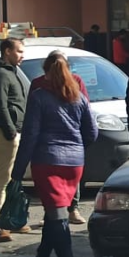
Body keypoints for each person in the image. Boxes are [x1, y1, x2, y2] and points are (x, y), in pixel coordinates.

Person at [12, 54, 97, 257]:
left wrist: (17, 172)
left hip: (47, 162)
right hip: (73, 164)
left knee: (58, 218)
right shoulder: (79, 97)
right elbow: (92, 132)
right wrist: (77, 148)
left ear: (46, 73)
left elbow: (30, 136)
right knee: (54, 215)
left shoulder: (39, 97)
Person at [31, 51, 90, 225]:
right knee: (65, 180)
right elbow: (88, 119)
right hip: (66, 145)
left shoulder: (74, 82)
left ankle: (69, 210)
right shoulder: (38, 85)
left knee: (52, 185)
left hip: (50, 147)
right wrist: (81, 143)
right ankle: (54, 216)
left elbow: (31, 125)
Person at [0, 38, 29, 242]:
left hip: (14, 131)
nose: (22, 55)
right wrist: (10, 131)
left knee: (12, 180)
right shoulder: (1, 74)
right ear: (7, 51)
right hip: (5, 133)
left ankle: (11, 220)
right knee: (3, 180)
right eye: (19, 51)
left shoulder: (11, 73)